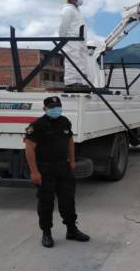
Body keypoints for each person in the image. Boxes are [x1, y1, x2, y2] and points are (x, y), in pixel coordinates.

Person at [24, 96, 90, 248]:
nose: (55, 110)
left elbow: (70, 141)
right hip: (44, 169)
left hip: (63, 167)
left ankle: (71, 230)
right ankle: (46, 233)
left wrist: (72, 161)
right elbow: (29, 148)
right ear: (45, 109)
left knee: (68, 200)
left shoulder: (64, 121)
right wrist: (34, 172)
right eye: (52, 107)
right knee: (46, 201)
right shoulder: (37, 126)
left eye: (57, 107)